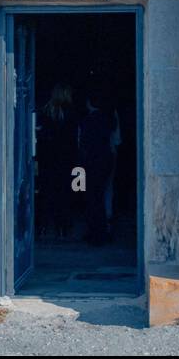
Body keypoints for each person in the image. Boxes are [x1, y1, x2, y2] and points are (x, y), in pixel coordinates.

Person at [75, 84, 118, 246]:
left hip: (91, 162)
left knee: (92, 197)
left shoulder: (88, 120)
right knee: (101, 195)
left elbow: (81, 142)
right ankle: (102, 230)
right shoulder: (108, 118)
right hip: (106, 160)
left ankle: (96, 232)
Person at [36, 82, 76, 238]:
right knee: (64, 194)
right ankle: (63, 228)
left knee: (46, 194)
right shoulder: (70, 113)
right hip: (65, 160)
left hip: (47, 159)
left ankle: (42, 227)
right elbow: (73, 139)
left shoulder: (46, 111)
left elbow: (41, 135)